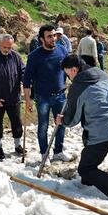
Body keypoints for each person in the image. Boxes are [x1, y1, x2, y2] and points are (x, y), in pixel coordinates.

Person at [56, 55, 108, 205]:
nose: (68, 77)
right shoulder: (101, 74)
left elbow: (72, 119)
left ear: (74, 69)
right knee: (89, 152)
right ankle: (88, 183)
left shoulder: (78, 85)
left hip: (102, 133)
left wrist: (62, 120)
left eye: (68, 74)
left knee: (85, 168)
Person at [23, 24, 73, 163]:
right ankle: (44, 154)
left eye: (54, 35)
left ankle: (58, 152)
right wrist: (28, 100)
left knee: (61, 123)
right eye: (49, 36)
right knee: (43, 126)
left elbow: (68, 70)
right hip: (42, 97)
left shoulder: (62, 50)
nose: (53, 39)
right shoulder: (34, 56)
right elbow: (26, 80)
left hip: (60, 95)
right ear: (41, 39)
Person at [0, 34, 26, 160]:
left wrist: (26, 81)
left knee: (17, 123)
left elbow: (22, 71)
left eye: (9, 47)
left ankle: (17, 145)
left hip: (14, 97)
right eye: (5, 47)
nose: (7, 49)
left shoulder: (16, 57)